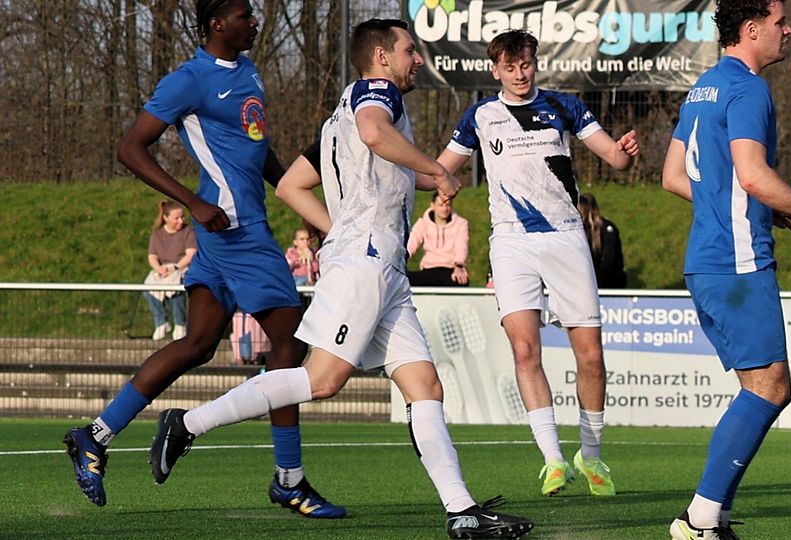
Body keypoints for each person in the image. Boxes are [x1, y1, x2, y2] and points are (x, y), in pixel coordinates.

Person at [146, 19, 533, 539]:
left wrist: (351, 224)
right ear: (382, 57)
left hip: (379, 264)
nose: (417, 59)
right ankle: (188, 423)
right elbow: (375, 133)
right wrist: (435, 175)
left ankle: (462, 513)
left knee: (425, 386)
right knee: (323, 380)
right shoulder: (377, 94)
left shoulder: (340, 116)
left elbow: (291, 185)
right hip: (366, 263)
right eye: (409, 50)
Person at [63, 0, 343, 519]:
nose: (255, 22)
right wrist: (191, 201)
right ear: (217, 23)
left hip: (232, 228)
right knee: (290, 343)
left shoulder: (248, 70)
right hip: (235, 231)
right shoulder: (189, 80)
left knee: (197, 343)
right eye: (244, 15)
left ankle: (95, 434)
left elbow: (254, 148)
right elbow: (131, 148)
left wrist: (294, 188)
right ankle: (289, 479)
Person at [661, 1, 791, 538]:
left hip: (707, 260)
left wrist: (755, 206)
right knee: (770, 387)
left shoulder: (703, 88)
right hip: (738, 261)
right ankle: (700, 518)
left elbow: (673, 176)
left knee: (761, 385)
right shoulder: (748, 89)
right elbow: (752, 174)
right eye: (780, 21)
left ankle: (709, 518)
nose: (789, 29)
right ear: (751, 29)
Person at [436, 29, 638, 498]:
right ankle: (552, 459)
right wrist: (421, 173)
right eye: (510, 67)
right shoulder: (480, 116)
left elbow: (613, 157)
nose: (519, 74)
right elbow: (441, 168)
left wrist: (625, 153)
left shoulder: (564, 106)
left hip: (566, 237)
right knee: (525, 351)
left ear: (535, 63)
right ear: (495, 71)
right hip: (511, 241)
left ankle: (591, 455)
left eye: (525, 64)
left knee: (591, 355)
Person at [143, 200, 197, 340]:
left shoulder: (188, 231)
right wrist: (159, 268)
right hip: (163, 269)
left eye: (182, 217)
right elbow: (152, 256)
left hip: (181, 268)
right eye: (176, 218)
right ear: (166, 218)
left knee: (176, 288)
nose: (181, 221)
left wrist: (176, 267)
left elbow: (190, 254)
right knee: (148, 287)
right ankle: (161, 322)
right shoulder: (157, 233)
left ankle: (180, 323)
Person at [406, 190, 470, 286]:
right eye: (441, 205)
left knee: (461, 280)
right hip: (428, 270)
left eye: (448, 205)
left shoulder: (461, 224)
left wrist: (459, 266)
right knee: (404, 279)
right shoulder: (422, 223)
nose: (445, 208)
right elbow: (412, 243)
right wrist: (402, 259)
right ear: (433, 205)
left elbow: (461, 246)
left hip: (450, 270)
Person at [577, 193, 627, 289]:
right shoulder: (580, 230)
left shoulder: (607, 230)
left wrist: (594, 280)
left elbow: (609, 260)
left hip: (609, 284)